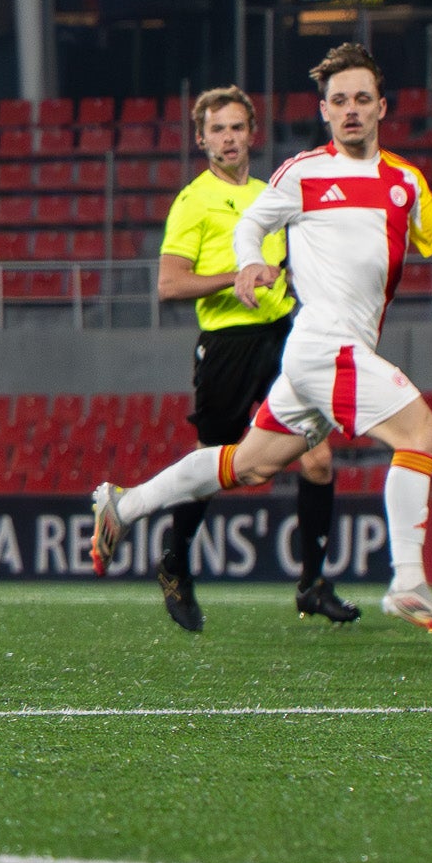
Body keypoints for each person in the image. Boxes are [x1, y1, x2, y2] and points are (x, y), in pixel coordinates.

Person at [90, 43, 432, 635]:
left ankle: (126, 505)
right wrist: (247, 263)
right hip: (322, 345)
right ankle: (407, 582)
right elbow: (253, 222)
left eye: (361, 99)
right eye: (338, 100)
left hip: (323, 354)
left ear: (382, 106)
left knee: (248, 466)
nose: (350, 109)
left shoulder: (406, 182)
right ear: (323, 110)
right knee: (421, 433)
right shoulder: (304, 172)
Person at [153, 85, 351, 633]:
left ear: (252, 133)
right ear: (201, 139)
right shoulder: (193, 201)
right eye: (218, 130)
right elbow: (169, 285)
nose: (229, 138)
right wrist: (234, 275)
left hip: (282, 337)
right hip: (226, 346)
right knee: (213, 467)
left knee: (317, 458)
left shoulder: (270, 193)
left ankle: (311, 583)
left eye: (237, 128)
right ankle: (174, 561)